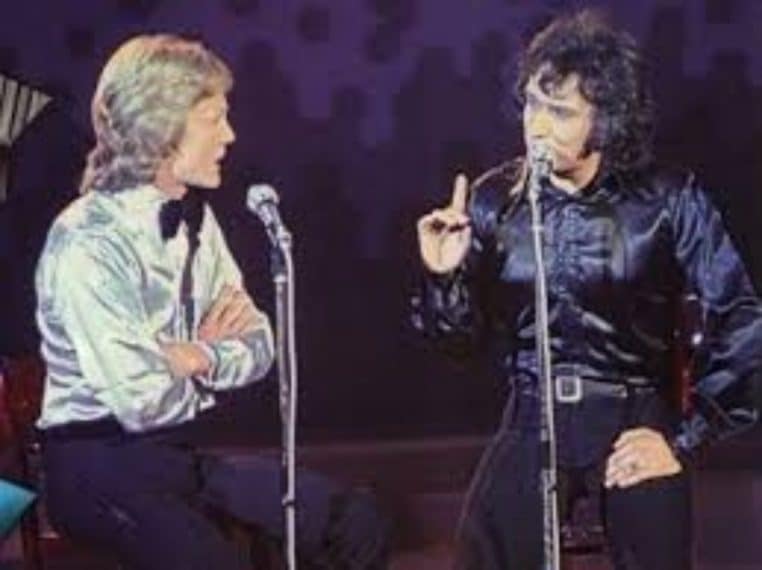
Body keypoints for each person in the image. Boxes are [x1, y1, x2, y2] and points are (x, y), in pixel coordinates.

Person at [413, 10, 762, 570]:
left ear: (606, 121)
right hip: (532, 413)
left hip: (635, 414)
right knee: (484, 551)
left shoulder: (668, 198)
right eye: (532, 104)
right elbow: (459, 346)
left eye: (561, 112)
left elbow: (742, 319)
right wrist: (443, 277)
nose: (537, 127)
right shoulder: (495, 199)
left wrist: (683, 438)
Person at [35, 34, 389, 569]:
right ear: (161, 127)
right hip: (97, 468)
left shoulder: (198, 220)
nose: (229, 135)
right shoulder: (87, 241)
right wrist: (208, 358)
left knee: (354, 520)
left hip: (176, 456)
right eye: (212, 119)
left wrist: (194, 356)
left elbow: (260, 346)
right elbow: (141, 400)